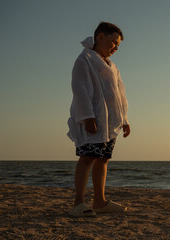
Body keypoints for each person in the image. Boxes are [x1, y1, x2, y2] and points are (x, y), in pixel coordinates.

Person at [67, 22, 130, 217]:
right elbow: (80, 89)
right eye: (113, 42)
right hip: (93, 119)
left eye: (118, 45)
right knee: (87, 158)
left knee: (103, 159)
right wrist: (87, 116)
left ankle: (99, 201)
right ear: (100, 37)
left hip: (111, 122)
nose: (115, 48)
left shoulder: (112, 65)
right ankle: (79, 203)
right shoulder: (85, 59)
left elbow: (120, 93)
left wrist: (124, 119)